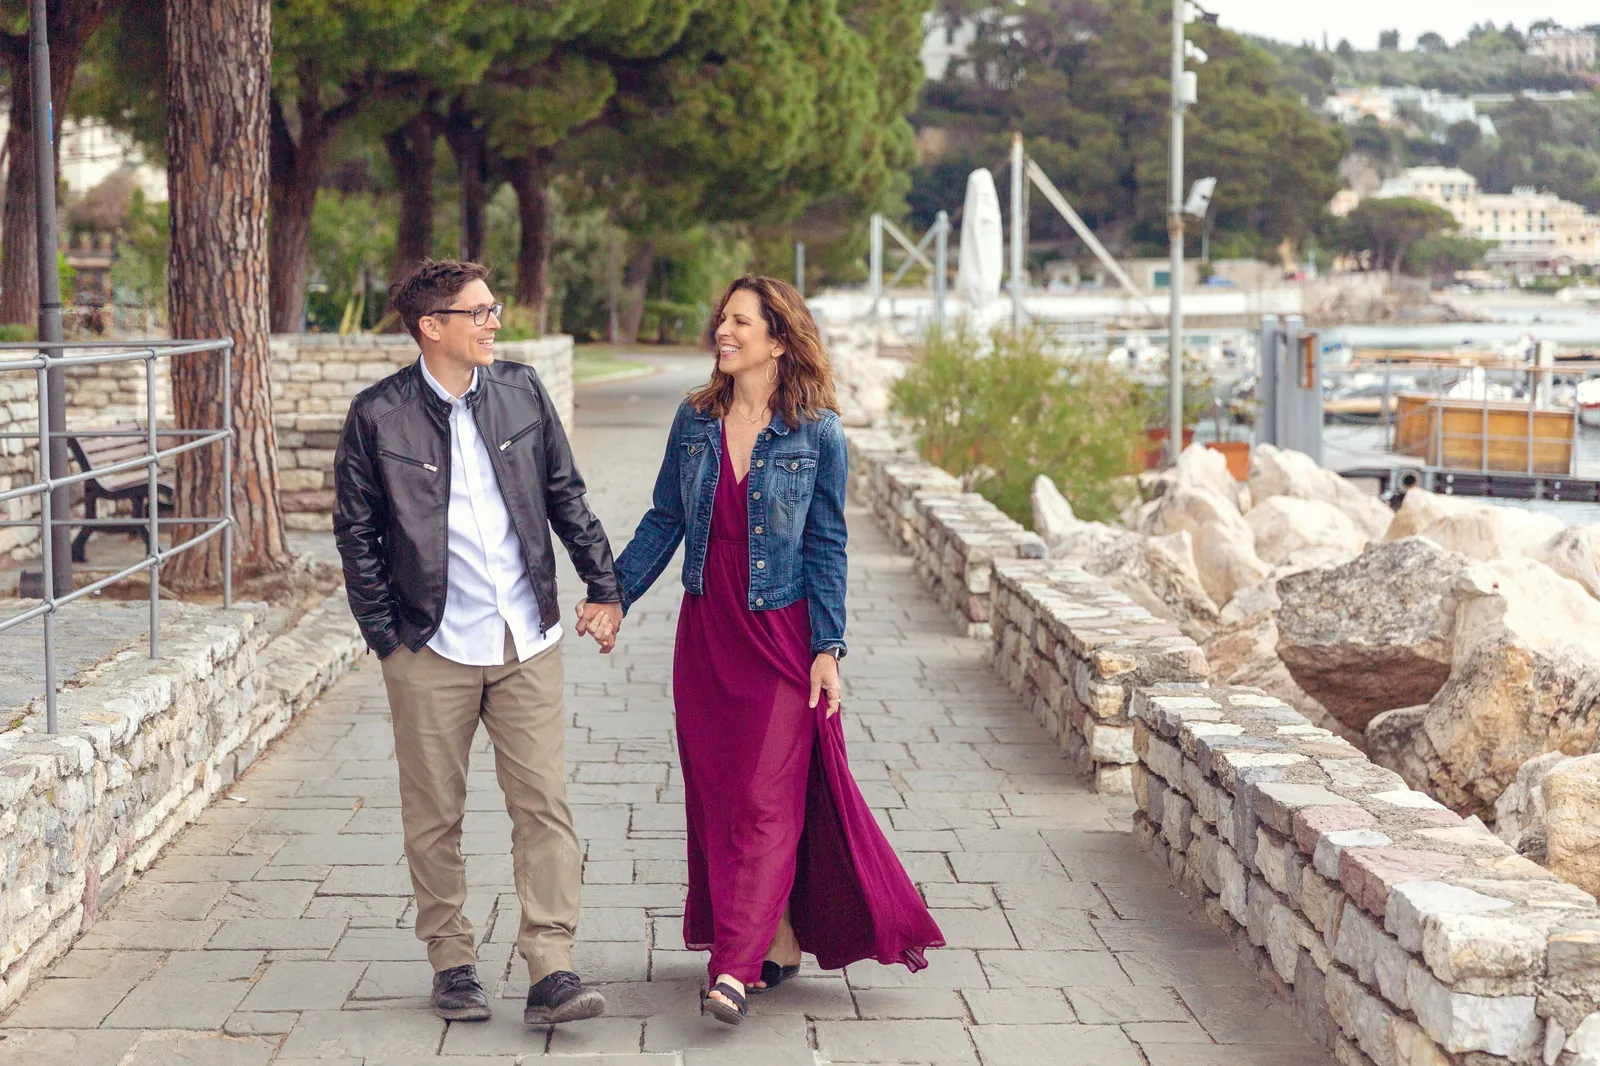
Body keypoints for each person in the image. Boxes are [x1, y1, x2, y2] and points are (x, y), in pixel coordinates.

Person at [598, 275, 943, 1025]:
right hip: (708, 634)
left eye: (741, 322)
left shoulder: (816, 431)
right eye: (721, 318)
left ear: (779, 339)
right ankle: (775, 939)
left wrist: (829, 648)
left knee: (763, 798)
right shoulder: (694, 421)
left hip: (780, 635)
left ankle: (732, 967)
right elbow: (664, 519)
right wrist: (613, 594)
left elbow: (826, 543)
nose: (724, 331)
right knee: (724, 799)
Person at [333, 259, 623, 1027]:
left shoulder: (522, 392)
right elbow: (356, 535)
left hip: (525, 635)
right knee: (434, 813)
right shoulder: (377, 416)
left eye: (493, 310)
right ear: (434, 327)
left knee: (544, 806)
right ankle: (452, 962)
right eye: (481, 312)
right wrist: (386, 637)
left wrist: (605, 585)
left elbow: (566, 494)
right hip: (429, 644)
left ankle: (552, 967)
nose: (495, 322)